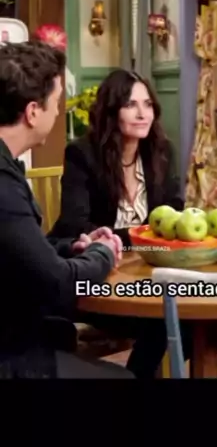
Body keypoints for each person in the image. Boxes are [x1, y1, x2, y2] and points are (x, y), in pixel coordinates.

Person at [0, 40, 133, 379]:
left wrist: (71, 248)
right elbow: (58, 284)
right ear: (33, 112)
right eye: (56, 102)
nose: (58, 112)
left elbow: (21, 254)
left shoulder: (8, 167)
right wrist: (103, 252)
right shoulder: (3, 184)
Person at [50, 69, 190, 378]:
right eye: (131, 105)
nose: (143, 114)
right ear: (112, 111)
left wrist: (138, 237)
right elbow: (76, 225)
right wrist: (142, 235)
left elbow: (174, 211)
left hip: (146, 273)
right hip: (94, 278)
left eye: (148, 104)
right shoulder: (82, 154)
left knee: (188, 317)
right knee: (168, 319)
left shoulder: (161, 151)